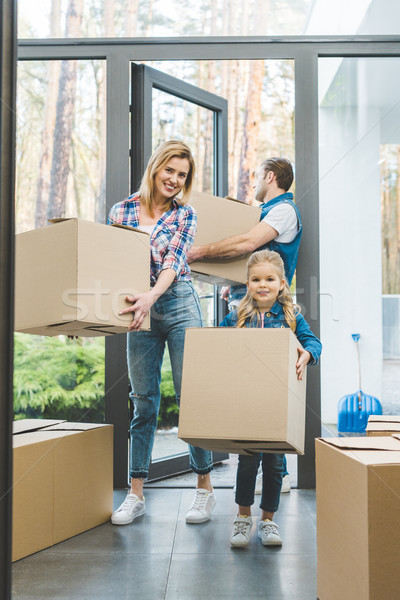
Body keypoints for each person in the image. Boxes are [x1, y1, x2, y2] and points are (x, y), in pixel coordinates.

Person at [108, 140, 216, 527]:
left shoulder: (185, 215)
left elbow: (174, 262)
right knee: (144, 401)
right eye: (169, 170)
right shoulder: (121, 210)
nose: (174, 179)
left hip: (178, 302)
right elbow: (110, 261)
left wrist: (152, 297)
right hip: (138, 307)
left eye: (182, 175)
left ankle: (204, 487)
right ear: (155, 167)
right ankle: (135, 493)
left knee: (192, 398)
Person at [188, 157, 300, 493]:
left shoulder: (283, 211)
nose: (253, 184)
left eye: (256, 177)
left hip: (268, 312)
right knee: (245, 389)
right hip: (244, 306)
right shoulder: (266, 211)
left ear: (270, 176)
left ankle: (276, 472)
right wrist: (235, 282)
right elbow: (253, 258)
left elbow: (249, 244)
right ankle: (257, 464)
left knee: (267, 390)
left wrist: (198, 253)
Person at [219, 249, 322, 548]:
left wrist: (307, 353)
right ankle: (242, 518)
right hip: (247, 399)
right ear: (247, 283)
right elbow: (219, 345)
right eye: (255, 279)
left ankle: (267, 520)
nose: (262, 285)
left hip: (279, 401)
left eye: (269, 279)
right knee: (248, 462)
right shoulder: (236, 316)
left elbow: (313, 342)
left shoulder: (291, 317)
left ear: (281, 283)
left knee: (275, 465)